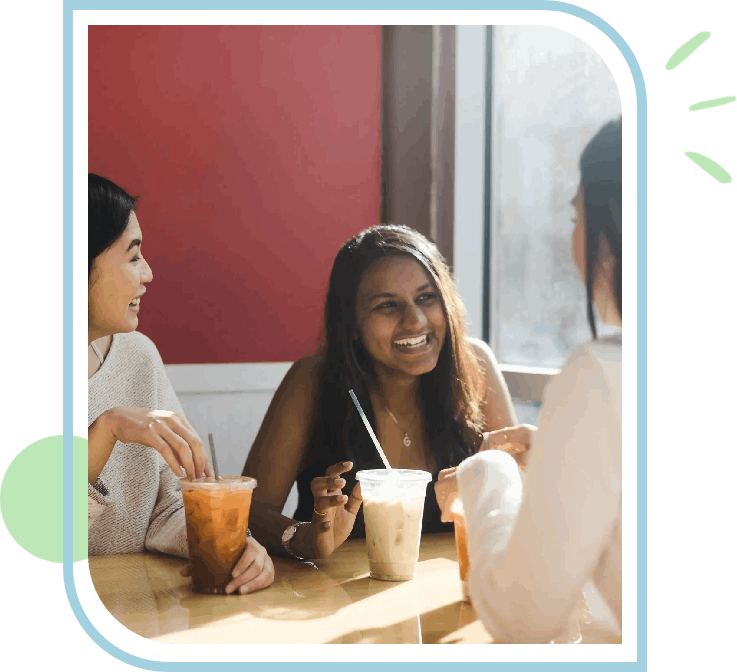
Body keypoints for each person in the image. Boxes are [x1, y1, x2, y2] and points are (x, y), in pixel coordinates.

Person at [434, 116, 623, 643]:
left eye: (576, 215)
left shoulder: (599, 379)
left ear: (611, 234)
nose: (573, 237)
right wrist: (564, 454)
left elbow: (521, 619)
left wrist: (488, 473)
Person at [242, 223, 526, 562]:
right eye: (387, 306)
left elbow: (518, 502)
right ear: (352, 324)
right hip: (333, 600)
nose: (416, 320)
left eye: (426, 297)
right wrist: (304, 538)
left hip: (452, 596)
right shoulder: (312, 380)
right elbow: (251, 512)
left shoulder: (473, 365)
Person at [86, 173, 274, 596]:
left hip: (143, 613)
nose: (148, 274)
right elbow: (37, 534)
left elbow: (171, 506)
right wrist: (106, 428)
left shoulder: (138, 356)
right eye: (133, 257)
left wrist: (230, 545)